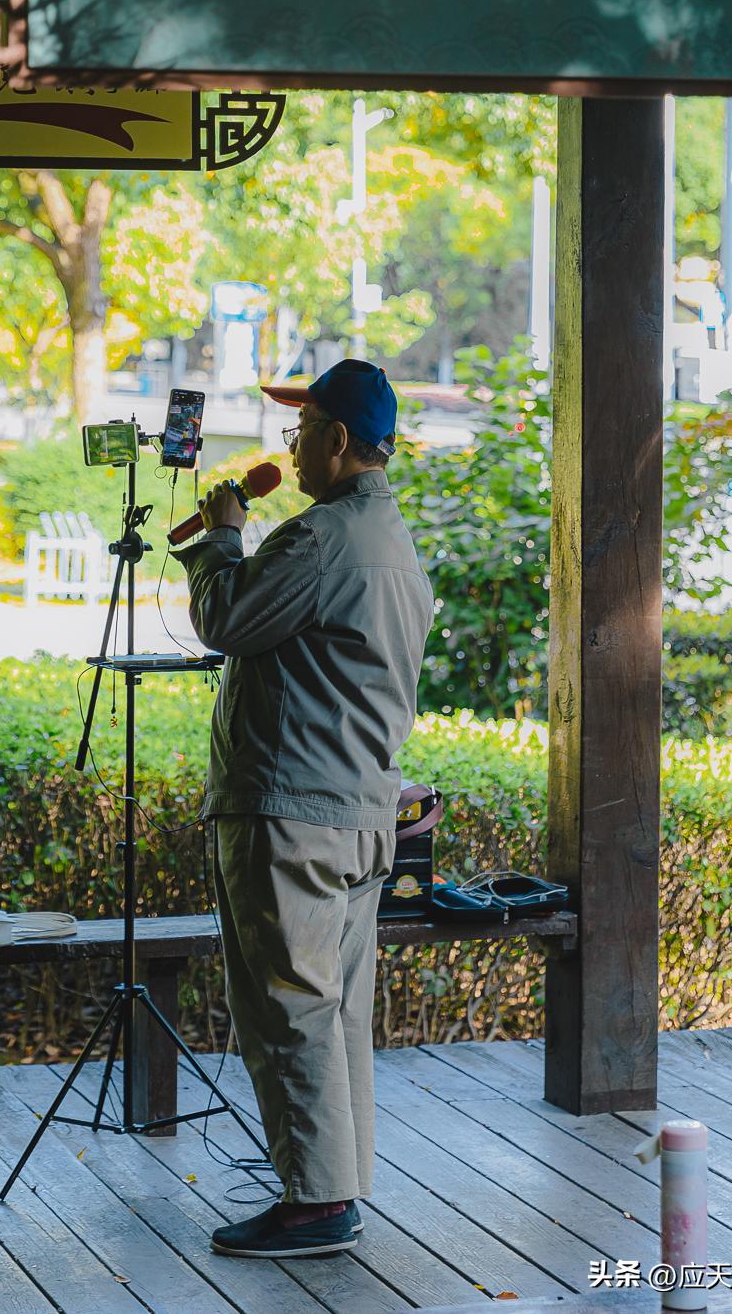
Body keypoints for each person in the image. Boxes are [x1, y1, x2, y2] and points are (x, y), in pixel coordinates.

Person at [172, 359, 433, 1259]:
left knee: (291, 1007)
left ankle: (320, 1202)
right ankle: (335, 1186)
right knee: (336, 1010)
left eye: (301, 430)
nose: (293, 447)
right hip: (359, 813)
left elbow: (227, 621)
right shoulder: (394, 541)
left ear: (337, 440)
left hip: (293, 810)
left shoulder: (319, 538)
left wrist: (221, 536)